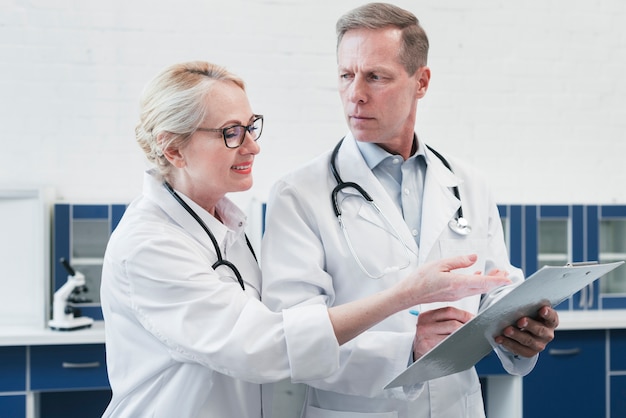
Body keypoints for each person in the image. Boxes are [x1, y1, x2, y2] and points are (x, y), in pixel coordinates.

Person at [99, 60, 511, 418]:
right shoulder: (148, 244)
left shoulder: (225, 225)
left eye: (250, 126)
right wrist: (404, 296)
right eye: (231, 132)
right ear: (173, 149)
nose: (253, 146)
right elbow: (264, 346)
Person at [260, 3, 560, 417]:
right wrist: (408, 347)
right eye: (346, 75)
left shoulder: (467, 183)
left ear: (421, 82)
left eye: (376, 77)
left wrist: (520, 327)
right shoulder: (298, 194)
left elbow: (493, 286)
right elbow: (293, 336)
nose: (355, 94)